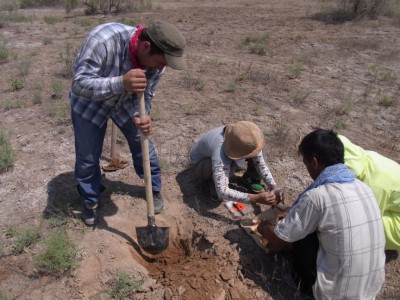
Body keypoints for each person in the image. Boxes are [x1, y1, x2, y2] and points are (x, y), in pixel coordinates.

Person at [69, 21, 186, 226]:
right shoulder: (103, 41)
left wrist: (143, 115)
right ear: (145, 47)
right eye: (161, 62)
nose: (162, 68)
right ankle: (90, 200)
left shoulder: (157, 64)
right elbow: (79, 84)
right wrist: (121, 82)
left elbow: (147, 93)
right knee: (87, 156)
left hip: (125, 102)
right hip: (90, 101)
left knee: (143, 144)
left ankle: (153, 189)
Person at [257, 129, 386, 299]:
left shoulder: (317, 196)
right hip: (371, 288)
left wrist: (264, 227)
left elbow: (279, 237)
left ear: (314, 162)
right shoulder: (363, 187)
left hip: (335, 294)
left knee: (302, 233)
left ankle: (301, 283)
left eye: (306, 163)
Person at [189, 121, 283, 205]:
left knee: (257, 149)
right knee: (229, 171)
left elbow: (260, 163)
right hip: (201, 165)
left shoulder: (246, 138)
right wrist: (255, 198)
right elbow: (222, 191)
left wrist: (274, 187)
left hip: (218, 157)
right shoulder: (220, 150)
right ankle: (212, 185)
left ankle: (250, 179)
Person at [338, 134, 400, 252]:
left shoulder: (373, 183)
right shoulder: (361, 158)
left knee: (351, 222)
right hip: (394, 206)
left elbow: (366, 219)